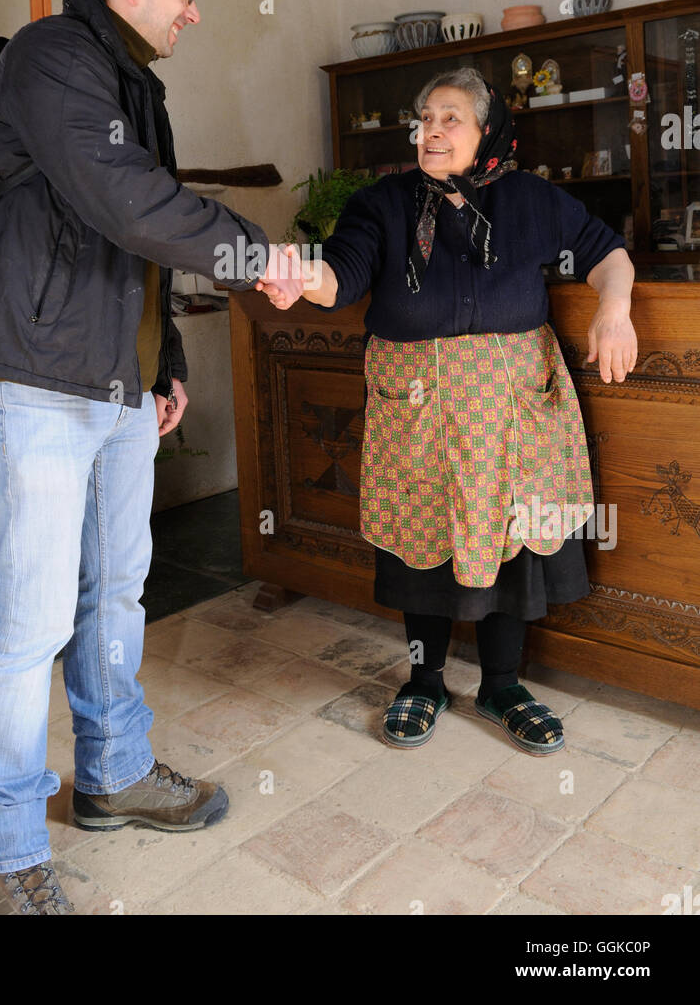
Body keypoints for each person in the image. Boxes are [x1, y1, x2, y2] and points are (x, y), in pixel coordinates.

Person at [0, 0, 288, 915]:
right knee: (34, 613)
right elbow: (125, 201)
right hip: (32, 371)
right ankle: (4, 846)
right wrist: (260, 258)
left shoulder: (138, 84)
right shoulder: (53, 57)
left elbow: (132, 241)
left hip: (114, 379)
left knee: (115, 589)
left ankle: (111, 774)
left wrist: (165, 356)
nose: (194, 11)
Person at [256, 66, 636, 757]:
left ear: (486, 129)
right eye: (424, 117)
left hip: (512, 410)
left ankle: (500, 685)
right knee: (421, 538)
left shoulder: (527, 198)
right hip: (418, 408)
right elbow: (340, 272)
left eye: (449, 118)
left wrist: (614, 309)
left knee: (512, 544)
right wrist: (300, 274)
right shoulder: (383, 204)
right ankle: (424, 680)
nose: (430, 129)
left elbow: (604, 251)